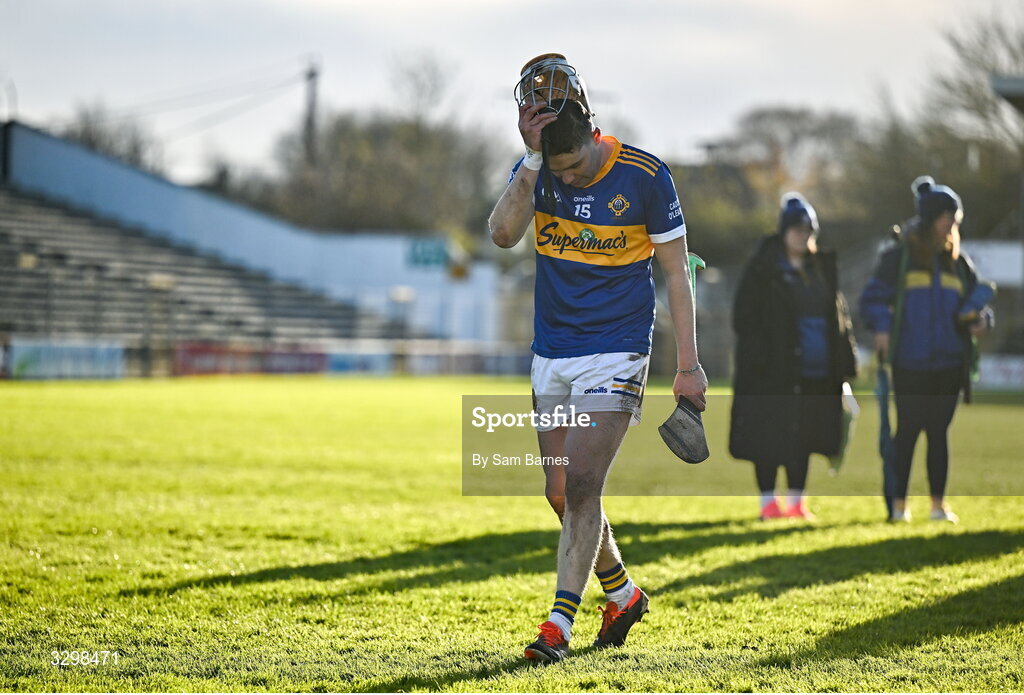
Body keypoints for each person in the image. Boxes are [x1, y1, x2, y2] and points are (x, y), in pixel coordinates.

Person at [488, 54, 706, 663]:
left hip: (616, 348)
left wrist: (688, 366)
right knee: (560, 493)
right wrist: (533, 164)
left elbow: (678, 276)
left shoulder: (645, 175)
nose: (573, 180)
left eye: (578, 167)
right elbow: (503, 234)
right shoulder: (537, 172)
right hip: (551, 352)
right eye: (561, 170)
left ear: (594, 132)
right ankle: (623, 593)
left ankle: (557, 628)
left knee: (585, 482)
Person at [860, 177, 993, 523]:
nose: (951, 223)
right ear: (929, 217)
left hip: (950, 363)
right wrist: (883, 327)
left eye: (954, 217)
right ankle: (900, 507)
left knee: (938, 433)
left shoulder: (958, 262)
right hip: (909, 363)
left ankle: (938, 506)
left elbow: (977, 306)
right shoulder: (897, 258)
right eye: (945, 216)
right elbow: (872, 299)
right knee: (907, 433)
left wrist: (982, 322)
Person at [729, 194, 858, 521]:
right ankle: (768, 504)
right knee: (768, 437)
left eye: (809, 230)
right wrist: (763, 358)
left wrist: (844, 363)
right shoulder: (763, 268)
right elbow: (744, 318)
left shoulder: (821, 270)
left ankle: (797, 503)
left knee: (805, 436)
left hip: (816, 372)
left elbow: (839, 318)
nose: (805, 235)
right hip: (772, 373)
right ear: (785, 230)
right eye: (798, 228)